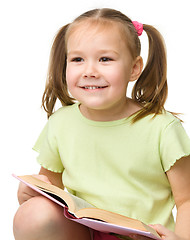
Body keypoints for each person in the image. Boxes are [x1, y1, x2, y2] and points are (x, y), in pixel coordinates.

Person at [13, 8, 190, 240]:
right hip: (85, 232)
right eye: (77, 59)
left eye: (105, 59)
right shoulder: (61, 123)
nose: (89, 71)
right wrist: (28, 195)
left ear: (134, 68)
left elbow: (186, 199)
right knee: (33, 213)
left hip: (142, 237)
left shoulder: (162, 128)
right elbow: (51, 193)